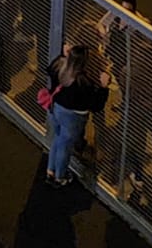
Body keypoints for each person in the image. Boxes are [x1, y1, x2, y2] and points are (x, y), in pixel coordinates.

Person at [44, 44, 110, 187]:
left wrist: (63, 56)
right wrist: (104, 88)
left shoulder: (59, 66)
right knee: (65, 147)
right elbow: (96, 106)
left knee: (58, 139)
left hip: (56, 109)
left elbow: (50, 69)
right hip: (73, 118)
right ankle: (59, 177)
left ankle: (50, 170)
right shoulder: (83, 83)